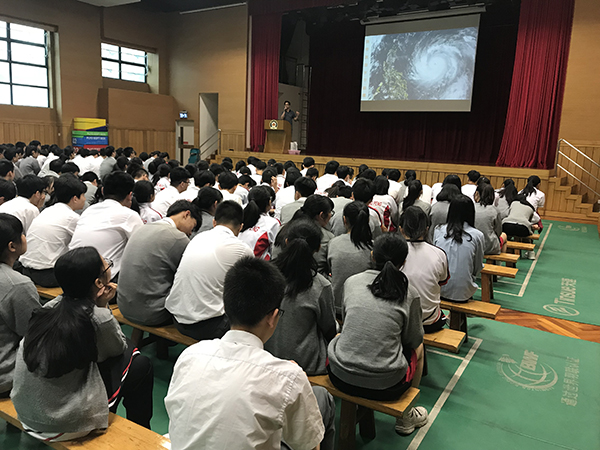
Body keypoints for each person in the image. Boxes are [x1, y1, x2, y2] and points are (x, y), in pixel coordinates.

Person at [165, 256, 334, 450]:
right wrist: (296, 380)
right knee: (321, 398)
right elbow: (310, 447)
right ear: (273, 317)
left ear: (226, 306)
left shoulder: (190, 355)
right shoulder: (288, 377)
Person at [12, 247, 154, 443]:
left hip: (26, 414)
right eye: (107, 266)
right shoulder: (96, 318)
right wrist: (103, 307)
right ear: (98, 282)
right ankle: (142, 434)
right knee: (138, 361)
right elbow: (116, 348)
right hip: (64, 425)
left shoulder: (46, 310)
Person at [327, 233, 428, 435]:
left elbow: (348, 321)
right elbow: (412, 340)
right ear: (404, 262)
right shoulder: (409, 293)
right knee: (419, 348)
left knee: (342, 336)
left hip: (339, 374)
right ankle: (406, 417)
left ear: (372, 256)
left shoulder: (352, 282)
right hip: (387, 384)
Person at [165, 201, 253, 341]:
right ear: (240, 227)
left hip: (177, 318)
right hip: (207, 327)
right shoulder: (242, 249)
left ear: (214, 222)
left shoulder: (198, 237)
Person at [265, 219, 337, 376]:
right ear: (318, 248)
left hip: (266, 356)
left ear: (286, 241)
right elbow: (329, 328)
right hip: (306, 363)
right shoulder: (321, 285)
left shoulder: (265, 273)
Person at [118, 201, 200, 326]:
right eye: (192, 227)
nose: (190, 233)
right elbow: (189, 276)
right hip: (153, 313)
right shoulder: (177, 237)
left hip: (124, 305)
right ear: (186, 214)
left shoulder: (143, 228)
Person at [69, 172, 143, 281]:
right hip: (99, 281)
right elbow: (142, 248)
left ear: (102, 190)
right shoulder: (129, 215)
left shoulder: (89, 210)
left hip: (71, 272)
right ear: (130, 195)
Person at [19, 174, 87, 287]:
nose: (85, 199)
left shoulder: (47, 210)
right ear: (75, 198)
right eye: (83, 195)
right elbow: (83, 245)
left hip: (25, 269)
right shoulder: (72, 218)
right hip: (47, 274)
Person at [0, 214, 41, 398]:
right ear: (12, 246)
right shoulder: (17, 284)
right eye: (22, 234)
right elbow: (33, 333)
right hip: (5, 377)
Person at [400, 206, 449, 333]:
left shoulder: (393, 253)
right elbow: (442, 282)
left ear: (401, 229)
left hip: (399, 320)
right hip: (429, 321)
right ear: (426, 229)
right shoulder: (439, 254)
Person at [434, 195, 485, 303]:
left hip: (437, 288)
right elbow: (478, 267)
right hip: (463, 292)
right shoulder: (477, 235)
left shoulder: (438, 230)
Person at [327, 200, 373, 315]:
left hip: (336, 305)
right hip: (364, 305)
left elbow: (330, 269)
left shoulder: (333, 243)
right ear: (367, 220)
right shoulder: (374, 247)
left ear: (344, 220)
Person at [276, 194, 334, 276]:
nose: (331, 216)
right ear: (321, 215)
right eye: (330, 212)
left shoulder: (282, 229)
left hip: (279, 276)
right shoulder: (327, 237)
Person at [239, 186, 280, 260]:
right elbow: (275, 252)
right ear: (269, 203)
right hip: (257, 267)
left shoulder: (239, 215)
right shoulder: (272, 223)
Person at [474, 184, 507, 255]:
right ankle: (499, 263)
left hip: (473, 245)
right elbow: (498, 231)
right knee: (504, 235)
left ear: (477, 194)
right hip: (489, 247)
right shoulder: (495, 210)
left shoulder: (471, 207)